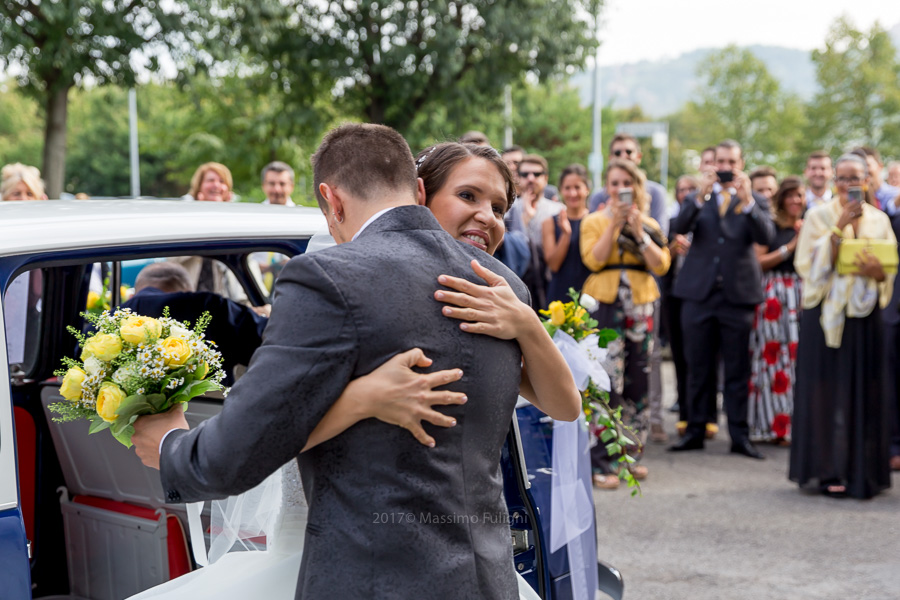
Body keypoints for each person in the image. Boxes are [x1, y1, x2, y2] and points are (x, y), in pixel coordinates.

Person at [131, 125, 579, 599]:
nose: (485, 216)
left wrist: (169, 448)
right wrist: (360, 399)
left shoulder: (329, 277)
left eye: (497, 206)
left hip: (370, 577)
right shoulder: (504, 286)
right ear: (420, 191)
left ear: (332, 200)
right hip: (486, 577)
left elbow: (249, 442)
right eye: (467, 194)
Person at [790, 153, 896, 499]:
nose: (849, 185)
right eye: (843, 178)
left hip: (863, 317)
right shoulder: (818, 215)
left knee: (864, 391)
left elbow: (889, 268)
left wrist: (877, 273)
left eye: (856, 178)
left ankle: (862, 469)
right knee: (824, 391)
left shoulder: (880, 219)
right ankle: (826, 468)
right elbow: (808, 266)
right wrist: (840, 229)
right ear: (835, 181)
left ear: (867, 182)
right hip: (825, 315)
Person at [669, 139, 774, 459]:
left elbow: (766, 237)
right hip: (698, 293)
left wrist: (748, 203)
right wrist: (699, 195)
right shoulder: (698, 197)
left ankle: (740, 435)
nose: (726, 168)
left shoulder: (753, 199)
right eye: (721, 162)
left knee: (738, 369)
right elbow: (677, 227)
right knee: (698, 366)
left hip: (737, 295)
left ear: (741, 164)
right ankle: (696, 430)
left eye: (732, 162)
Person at [580, 159, 671, 488]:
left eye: (626, 183)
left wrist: (637, 232)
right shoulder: (593, 221)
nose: (620, 189)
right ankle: (599, 460)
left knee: (638, 380)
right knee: (605, 379)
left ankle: (628, 457)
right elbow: (593, 259)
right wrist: (614, 226)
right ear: (607, 186)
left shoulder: (648, 223)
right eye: (614, 183)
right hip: (604, 303)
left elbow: (662, 265)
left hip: (640, 305)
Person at [121, 262, 268, 383]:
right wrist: (265, 314)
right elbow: (268, 342)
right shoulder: (209, 307)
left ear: (133, 294)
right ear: (188, 290)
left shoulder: (112, 319)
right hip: (213, 411)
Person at [748, 176, 805, 443]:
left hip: (802, 295)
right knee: (771, 359)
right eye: (790, 195)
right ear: (781, 199)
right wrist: (791, 247)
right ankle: (770, 426)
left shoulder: (814, 222)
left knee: (797, 360)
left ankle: (796, 425)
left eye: (800, 195)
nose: (795, 200)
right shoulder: (770, 225)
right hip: (773, 295)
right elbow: (758, 262)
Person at [505, 153, 562, 309]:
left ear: (546, 178)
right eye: (525, 174)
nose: (531, 178)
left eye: (537, 174)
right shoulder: (507, 210)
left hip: (552, 285)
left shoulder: (558, 210)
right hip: (518, 286)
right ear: (518, 178)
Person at [588, 134, 668, 234]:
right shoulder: (598, 197)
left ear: (639, 156)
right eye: (617, 153)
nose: (623, 156)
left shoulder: (656, 192)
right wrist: (606, 216)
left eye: (629, 152)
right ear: (610, 158)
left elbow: (661, 234)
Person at [542, 164, 592, 304]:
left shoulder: (595, 221)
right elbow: (553, 265)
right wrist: (566, 234)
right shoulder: (550, 222)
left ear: (587, 189)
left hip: (590, 294)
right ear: (561, 191)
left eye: (577, 187)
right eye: (567, 188)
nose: (572, 193)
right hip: (559, 294)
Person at [852, 146, 900, 211]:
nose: (863, 170)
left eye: (867, 165)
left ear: (880, 166)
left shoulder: (895, 194)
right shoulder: (853, 199)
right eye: (858, 167)